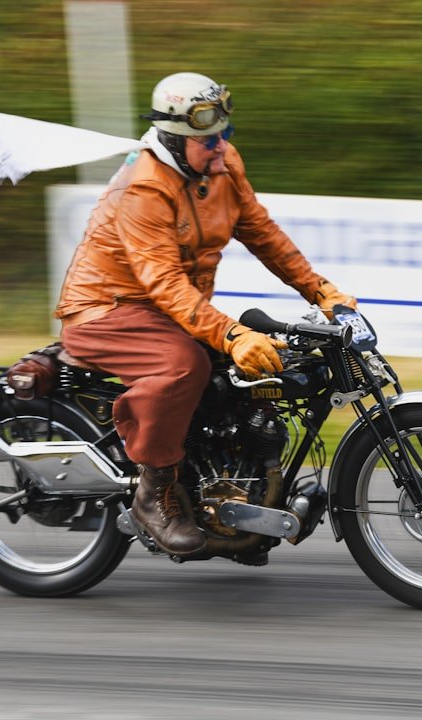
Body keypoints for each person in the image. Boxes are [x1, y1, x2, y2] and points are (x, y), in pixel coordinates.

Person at [54, 72, 356, 556]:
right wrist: (231, 333)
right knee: (184, 367)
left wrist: (318, 289)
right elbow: (164, 284)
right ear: (175, 137)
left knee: (257, 371)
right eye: (208, 140)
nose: (221, 147)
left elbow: (261, 232)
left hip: (171, 311)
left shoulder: (222, 165)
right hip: (107, 309)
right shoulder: (144, 188)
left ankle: (239, 505)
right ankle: (154, 496)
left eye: (225, 134)